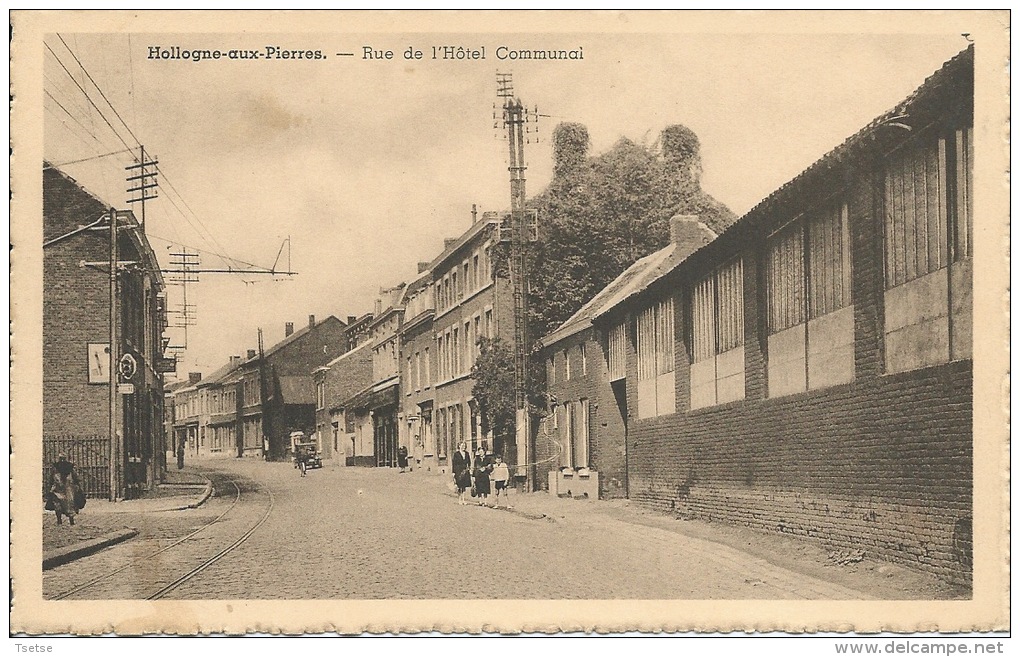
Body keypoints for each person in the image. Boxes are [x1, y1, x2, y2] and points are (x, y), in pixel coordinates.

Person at [48, 453, 82, 526]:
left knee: (67, 505)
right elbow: (51, 478)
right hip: (60, 489)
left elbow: (75, 478)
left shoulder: (68, 468)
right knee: (60, 505)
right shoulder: (57, 468)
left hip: (66, 489)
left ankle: (67, 521)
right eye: (61, 459)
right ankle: (62, 521)